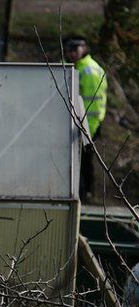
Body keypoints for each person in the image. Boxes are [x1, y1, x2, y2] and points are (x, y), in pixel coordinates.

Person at [64, 37, 107, 200]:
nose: (71, 54)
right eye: (69, 50)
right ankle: (82, 193)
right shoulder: (77, 67)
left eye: (75, 50)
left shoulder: (88, 71)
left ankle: (85, 194)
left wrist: (89, 130)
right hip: (81, 123)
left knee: (84, 161)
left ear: (83, 49)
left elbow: (93, 106)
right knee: (79, 160)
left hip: (88, 124)